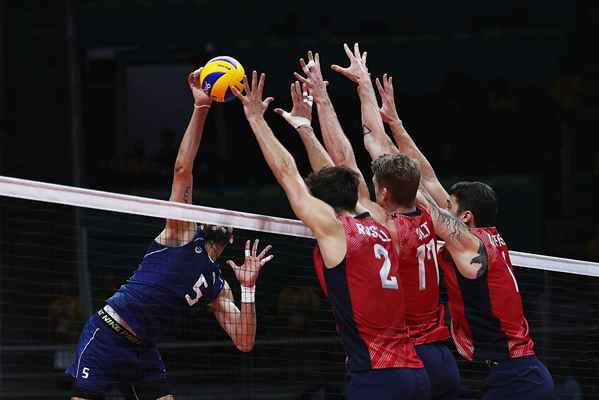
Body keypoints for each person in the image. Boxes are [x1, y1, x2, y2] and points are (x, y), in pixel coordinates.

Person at [66, 68, 273, 400]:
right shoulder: (181, 233)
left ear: (231, 237)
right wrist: (201, 108)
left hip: (144, 350)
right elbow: (182, 170)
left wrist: (246, 290)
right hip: (107, 334)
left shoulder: (217, 286)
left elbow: (245, 341)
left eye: (225, 217)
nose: (217, 217)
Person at [234, 71, 429, 399]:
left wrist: (255, 118)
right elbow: (338, 177)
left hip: (377, 377)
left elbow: (287, 173)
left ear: (324, 205)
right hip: (415, 371)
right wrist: (304, 128)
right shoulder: (379, 220)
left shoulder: (335, 229)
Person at [371, 73, 555, 399]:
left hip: (518, 378)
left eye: (450, 206)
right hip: (513, 373)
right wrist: (395, 122)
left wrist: (385, 150)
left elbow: (417, 193)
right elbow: (427, 178)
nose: (444, 207)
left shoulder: (471, 243)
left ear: (465, 217)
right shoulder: (480, 236)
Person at [294, 44, 460, 399]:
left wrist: (321, 99)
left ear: (383, 193)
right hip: (443, 356)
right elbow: (377, 139)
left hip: (408, 356)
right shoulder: (430, 213)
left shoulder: (384, 225)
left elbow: (342, 165)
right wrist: (364, 85)